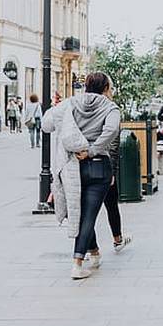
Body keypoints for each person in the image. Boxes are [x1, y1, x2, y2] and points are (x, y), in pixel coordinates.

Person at [42, 72, 121, 280]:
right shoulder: (110, 108)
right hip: (99, 167)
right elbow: (111, 131)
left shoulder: (70, 103)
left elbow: (46, 124)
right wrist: (93, 150)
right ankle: (77, 263)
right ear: (106, 88)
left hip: (72, 166)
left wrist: (54, 108)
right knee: (88, 215)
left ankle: (93, 253)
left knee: (81, 212)